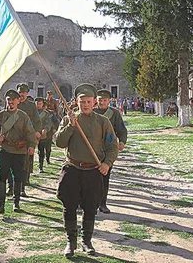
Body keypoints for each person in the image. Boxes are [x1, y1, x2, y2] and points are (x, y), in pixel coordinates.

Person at [54, 83, 118, 257]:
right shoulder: (69, 119)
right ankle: (70, 242)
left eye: (89, 101)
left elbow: (113, 146)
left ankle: (86, 241)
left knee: (90, 207)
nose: (85, 105)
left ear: (94, 103)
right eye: (82, 102)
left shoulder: (103, 122)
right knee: (69, 205)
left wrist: (107, 163)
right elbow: (59, 142)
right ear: (77, 102)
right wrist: (70, 126)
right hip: (73, 168)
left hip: (93, 171)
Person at [0, 89, 37, 216]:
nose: (10, 102)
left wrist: (31, 145)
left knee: (18, 177)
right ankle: (0, 203)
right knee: (2, 176)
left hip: (19, 151)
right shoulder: (1, 115)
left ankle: (16, 203)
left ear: (18, 101)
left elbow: (30, 132)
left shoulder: (23, 116)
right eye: (8, 100)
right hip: (5, 149)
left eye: (12, 100)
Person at [94, 89, 128, 214]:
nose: (102, 103)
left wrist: (122, 141)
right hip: (91, 148)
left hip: (108, 148)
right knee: (88, 178)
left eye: (104, 100)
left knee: (104, 177)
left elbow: (122, 129)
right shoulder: (91, 112)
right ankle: (87, 202)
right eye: (100, 100)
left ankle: (103, 203)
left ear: (109, 101)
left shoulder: (114, 114)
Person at [16, 83, 41, 197]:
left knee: (25, 162)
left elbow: (36, 120)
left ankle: (23, 187)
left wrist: (37, 133)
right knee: (13, 162)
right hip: (14, 136)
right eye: (20, 92)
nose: (22, 94)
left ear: (27, 93)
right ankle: (12, 186)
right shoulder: (14, 103)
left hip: (27, 137)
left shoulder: (31, 106)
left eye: (24, 92)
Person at [35, 98, 52, 173]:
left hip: (42, 135)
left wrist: (46, 129)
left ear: (42, 104)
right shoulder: (32, 113)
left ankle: (40, 166)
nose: (38, 105)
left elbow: (48, 123)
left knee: (41, 151)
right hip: (31, 134)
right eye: (37, 103)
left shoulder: (45, 113)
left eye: (40, 104)